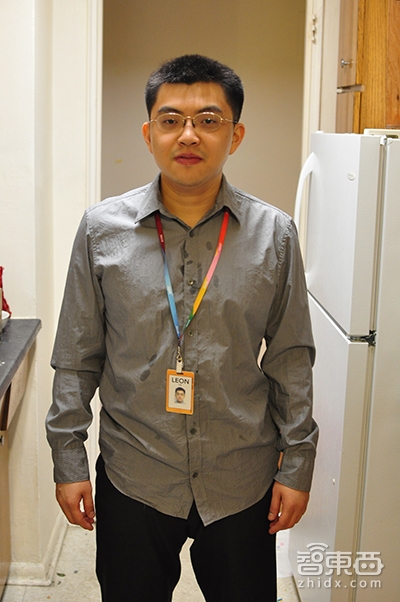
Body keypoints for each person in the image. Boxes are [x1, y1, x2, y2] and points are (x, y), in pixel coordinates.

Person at [46, 54, 318, 602]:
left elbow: (290, 358)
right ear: (149, 134)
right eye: (170, 120)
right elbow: (77, 356)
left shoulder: (275, 235)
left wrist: (297, 465)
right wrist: (68, 459)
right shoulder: (101, 231)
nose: (188, 135)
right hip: (135, 471)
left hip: (241, 474)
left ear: (235, 135)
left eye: (208, 120)